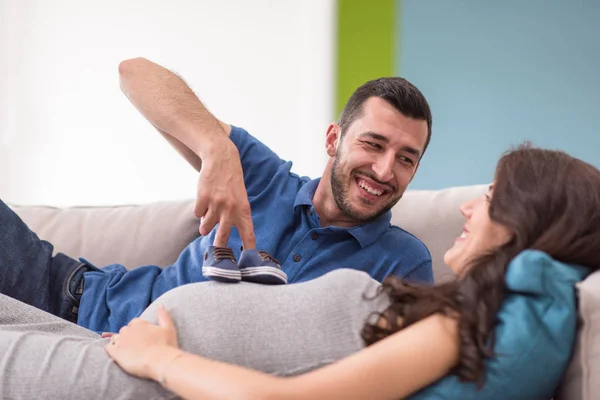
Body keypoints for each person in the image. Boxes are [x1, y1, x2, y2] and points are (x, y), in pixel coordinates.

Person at [0, 145, 598, 400]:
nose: (470, 206)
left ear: (525, 221)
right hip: (121, 342)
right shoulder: (463, 314)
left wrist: (158, 357)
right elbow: (136, 73)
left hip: (140, 374)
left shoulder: (469, 325)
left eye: (491, 197)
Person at [0, 58, 434, 334]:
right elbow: (134, 74)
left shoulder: (402, 262)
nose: (384, 170)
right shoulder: (267, 177)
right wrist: (216, 148)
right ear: (333, 139)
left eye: (406, 159)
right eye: (373, 144)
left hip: (115, 351)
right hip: (72, 292)